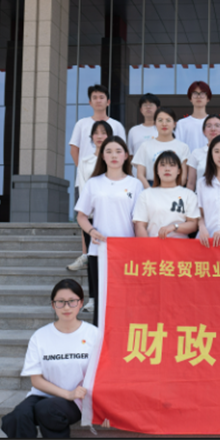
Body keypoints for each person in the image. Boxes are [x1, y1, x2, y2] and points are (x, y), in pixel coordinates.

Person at [1, 279, 99, 438]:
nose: (66, 307)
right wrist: (66, 394)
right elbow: (36, 380)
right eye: (60, 302)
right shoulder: (40, 336)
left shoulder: (94, 334)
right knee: (17, 417)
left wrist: (73, 395)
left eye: (72, 301)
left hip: (77, 399)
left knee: (47, 410)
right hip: (44, 395)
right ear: (53, 305)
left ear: (81, 303)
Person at [74, 136, 143, 325]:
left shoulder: (135, 184)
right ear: (102, 156)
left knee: (126, 299)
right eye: (109, 151)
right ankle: (101, 339)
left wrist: (140, 249)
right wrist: (91, 231)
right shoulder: (94, 183)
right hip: (99, 251)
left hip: (126, 252)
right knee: (102, 301)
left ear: (126, 156)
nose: (114, 155)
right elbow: (81, 216)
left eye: (118, 151)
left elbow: (139, 221)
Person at [67, 84, 126, 272]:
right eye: (95, 97)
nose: (98, 100)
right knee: (85, 216)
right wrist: (86, 172)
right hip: (85, 181)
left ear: (108, 101)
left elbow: (123, 151)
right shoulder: (82, 124)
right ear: (90, 102)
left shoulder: (116, 125)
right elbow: (74, 149)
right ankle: (86, 254)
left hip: (111, 179)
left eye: (102, 97)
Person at [67, 121, 111, 273]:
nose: (99, 136)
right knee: (93, 262)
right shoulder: (85, 162)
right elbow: (84, 189)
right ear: (91, 137)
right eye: (96, 133)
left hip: (112, 216)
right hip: (91, 217)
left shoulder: (115, 161)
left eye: (103, 133)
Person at [133, 151, 200, 238]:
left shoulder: (189, 195)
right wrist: (148, 245)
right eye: (163, 165)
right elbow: (140, 226)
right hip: (154, 244)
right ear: (157, 170)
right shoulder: (145, 194)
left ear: (179, 171)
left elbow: (193, 225)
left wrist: (174, 227)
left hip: (180, 245)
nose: (167, 169)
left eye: (172, 165)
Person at [132, 107, 190, 189]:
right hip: (151, 187)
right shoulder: (145, 146)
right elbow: (140, 175)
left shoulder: (183, 147)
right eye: (160, 120)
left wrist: (173, 191)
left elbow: (183, 177)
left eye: (168, 120)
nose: (164, 124)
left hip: (175, 188)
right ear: (155, 123)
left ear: (174, 124)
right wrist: (151, 192)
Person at [186, 114, 220, 192]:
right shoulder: (196, 153)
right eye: (209, 126)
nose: (213, 129)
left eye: (217, 126)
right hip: (201, 197)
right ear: (204, 131)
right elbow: (191, 183)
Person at [127, 93, 160, 177]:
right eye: (145, 105)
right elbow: (130, 156)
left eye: (151, 105)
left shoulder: (163, 129)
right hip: (137, 176)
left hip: (158, 175)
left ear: (158, 108)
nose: (148, 107)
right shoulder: (133, 131)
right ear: (141, 110)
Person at [176, 81, 213, 153]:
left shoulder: (214, 122)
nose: (198, 97)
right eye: (195, 94)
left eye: (202, 93)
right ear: (190, 98)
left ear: (208, 98)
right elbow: (178, 149)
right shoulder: (182, 124)